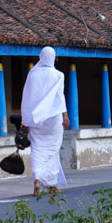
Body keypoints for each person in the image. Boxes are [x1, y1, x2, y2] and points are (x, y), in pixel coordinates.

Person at [21, 46, 69, 196]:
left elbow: (27, 97)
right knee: (52, 151)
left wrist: (25, 119)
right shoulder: (58, 75)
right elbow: (60, 97)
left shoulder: (32, 74)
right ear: (53, 58)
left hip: (36, 119)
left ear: (41, 57)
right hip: (53, 118)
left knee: (37, 149)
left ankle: (37, 179)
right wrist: (65, 116)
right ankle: (51, 184)